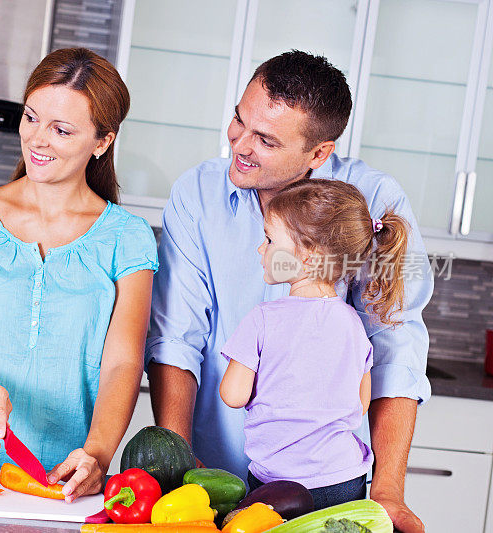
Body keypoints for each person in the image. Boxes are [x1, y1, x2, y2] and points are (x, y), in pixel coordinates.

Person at [146, 50, 431, 532]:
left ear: (318, 153)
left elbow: (394, 348)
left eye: (266, 140)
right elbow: (177, 337)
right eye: (239, 120)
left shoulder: (375, 200)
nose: (240, 144)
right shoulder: (196, 194)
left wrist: (387, 490)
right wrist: (180, 472)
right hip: (214, 472)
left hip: (326, 483)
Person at [0, 47, 158, 501]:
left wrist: (97, 456)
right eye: (31, 118)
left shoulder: (127, 237)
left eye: (61, 130)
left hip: (59, 477)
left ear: (102, 141)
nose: (37, 140)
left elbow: (123, 363)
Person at [220, 178, 411, 510]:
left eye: (269, 239)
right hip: (343, 478)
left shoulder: (263, 318)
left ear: (307, 255)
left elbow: (233, 395)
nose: (260, 249)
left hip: (279, 482)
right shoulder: (353, 323)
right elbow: (360, 402)